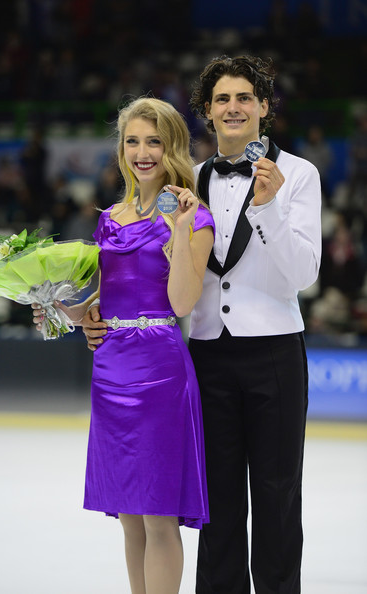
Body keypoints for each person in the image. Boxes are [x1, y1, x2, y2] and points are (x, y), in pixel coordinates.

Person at [82, 54, 322, 594]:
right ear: (207, 114)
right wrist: (95, 315)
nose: (233, 108)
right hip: (206, 355)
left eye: (244, 98)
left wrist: (267, 209)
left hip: (275, 351)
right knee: (218, 504)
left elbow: (303, 274)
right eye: (221, 100)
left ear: (264, 107)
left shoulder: (300, 176)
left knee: (278, 494)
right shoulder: (191, 182)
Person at [32, 96, 215, 594]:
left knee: (158, 516)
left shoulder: (193, 217)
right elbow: (95, 301)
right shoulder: (110, 216)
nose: (142, 152)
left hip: (159, 368)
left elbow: (181, 303)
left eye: (154, 141)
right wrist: (51, 303)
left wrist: (177, 230)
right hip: (110, 368)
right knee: (130, 518)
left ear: (172, 145)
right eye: (132, 141)